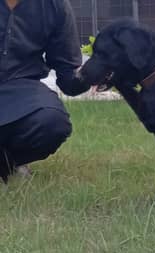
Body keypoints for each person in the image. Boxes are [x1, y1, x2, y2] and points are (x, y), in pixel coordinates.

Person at [0, 0, 91, 182]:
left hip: (21, 90)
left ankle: (8, 163)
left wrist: (97, 72)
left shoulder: (53, 5)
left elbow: (68, 75)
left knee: (52, 122)